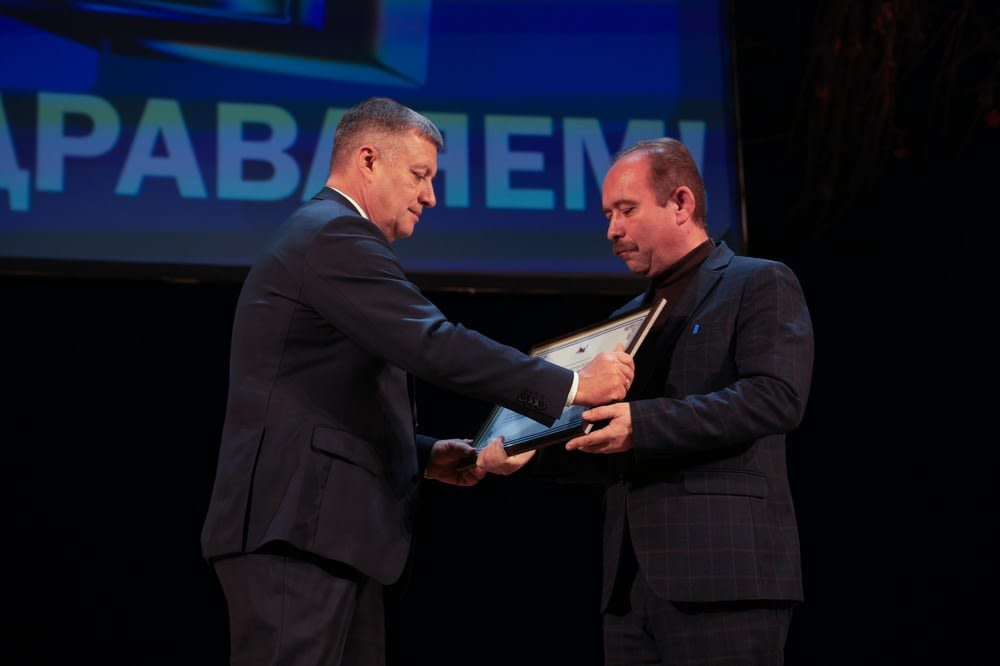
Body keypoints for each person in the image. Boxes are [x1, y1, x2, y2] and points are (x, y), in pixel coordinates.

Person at [199, 96, 635, 666]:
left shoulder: (326, 237)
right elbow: (434, 343)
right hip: (298, 534)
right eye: (419, 174)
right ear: (368, 160)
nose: (430, 195)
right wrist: (572, 386)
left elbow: (321, 398)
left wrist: (423, 455)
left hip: (326, 534)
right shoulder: (333, 236)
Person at [478, 136, 815, 665]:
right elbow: (608, 441)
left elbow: (775, 398)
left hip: (725, 576)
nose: (612, 230)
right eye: (608, 215)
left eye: (626, 210)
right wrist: (529, 455)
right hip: (630, 589)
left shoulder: (758, 282)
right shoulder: (625, 320)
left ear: (681, 203)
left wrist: (643, 423)